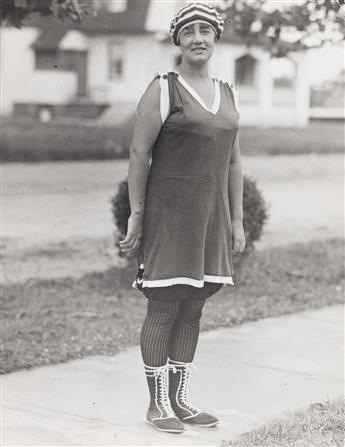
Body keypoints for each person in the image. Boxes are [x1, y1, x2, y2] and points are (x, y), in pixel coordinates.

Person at [119, 2, 245, 434]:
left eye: (206, 31)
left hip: (211, 219)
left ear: (216, 38)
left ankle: (181, 401)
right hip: (171, 216)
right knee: (165, 306)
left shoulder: (227, 92)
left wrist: (238, 222)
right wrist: (137, 214)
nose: (198, 38)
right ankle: (157, 405)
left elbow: (233, 162)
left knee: (193, 309)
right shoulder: (164, 87)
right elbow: (139, 153)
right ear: (177, 40)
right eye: (189, 31)